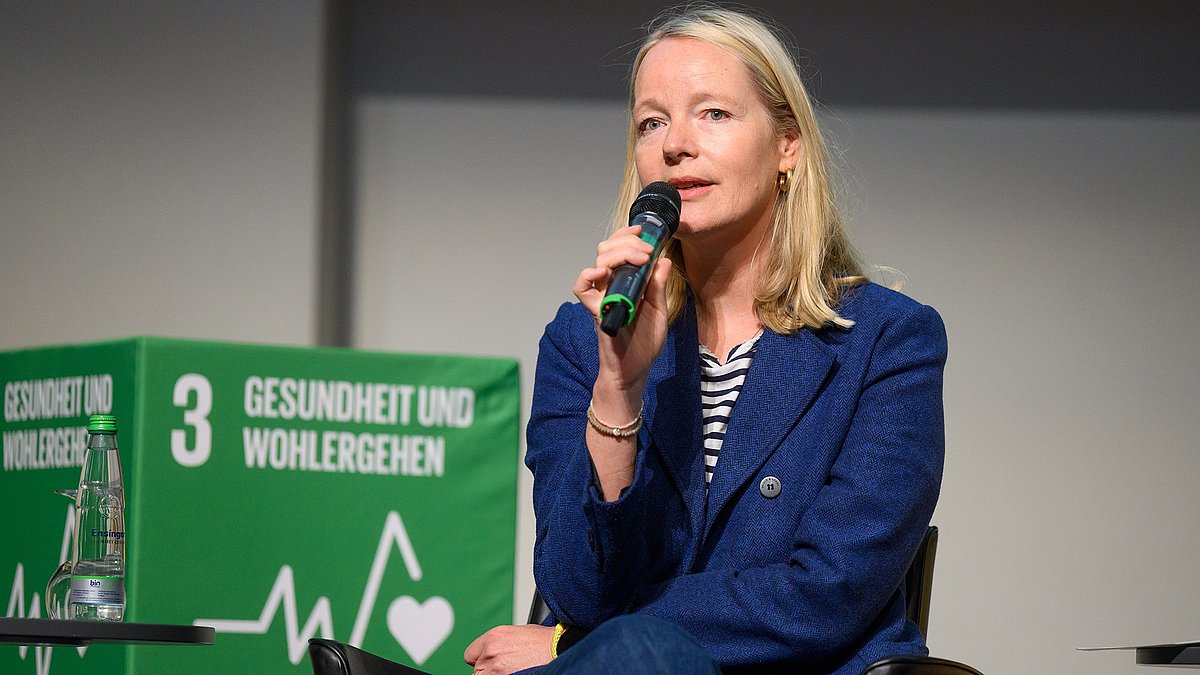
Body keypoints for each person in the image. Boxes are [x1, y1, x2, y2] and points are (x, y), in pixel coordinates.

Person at [466, 5, 946, 674]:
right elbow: (576, 590)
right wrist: (618, 393)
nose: (674, 144)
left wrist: (576, 644)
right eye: (651, 122)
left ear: (788, 144)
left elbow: (821, 596)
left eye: (713, 113)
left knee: (640, 650)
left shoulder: (888, 341)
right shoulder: (585, 339)